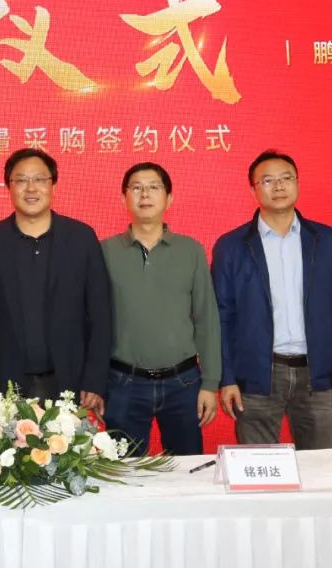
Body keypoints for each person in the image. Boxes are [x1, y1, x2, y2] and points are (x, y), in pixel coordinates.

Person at [212, 149, 332, 449]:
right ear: (253, 189)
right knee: (258, 467)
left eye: (286, 178)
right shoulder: (231, 246)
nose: (278, 186)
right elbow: (221, 318)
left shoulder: (326, 240)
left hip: (319, 376)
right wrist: (226, 377)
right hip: (256, 375)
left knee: (320, 468)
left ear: (297, 183)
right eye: (267, 180)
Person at [0, 148, 111, 412]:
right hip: (4, 387)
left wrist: (95, 379)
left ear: (53, 184)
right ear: (9, 187)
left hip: (71, 383)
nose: (31, 188)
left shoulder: (81, 238)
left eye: (40, 179)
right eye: (21, 180)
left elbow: (101, 315)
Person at [100, 162, 220, 456]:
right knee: (125, 472)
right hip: (123, 383)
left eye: (154, 187)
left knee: (186, 471)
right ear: (123, 198)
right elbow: (90, 323)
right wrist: (94, 385)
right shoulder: (104, 251)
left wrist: (210, 383)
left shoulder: (190, 250)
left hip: (184, 383)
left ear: (169, 198)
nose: (145, 194)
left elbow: (206, 319)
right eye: (136, 188)